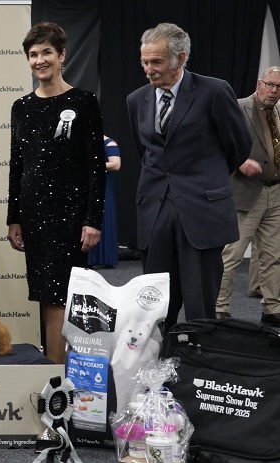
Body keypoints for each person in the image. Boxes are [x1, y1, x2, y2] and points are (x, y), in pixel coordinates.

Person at [126, 22, 251, 334]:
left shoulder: (214, 91)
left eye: (156, 62)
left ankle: (200, 360)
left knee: (200, 305)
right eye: (144, 62)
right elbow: (146, 151)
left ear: (180, 59)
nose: (149, 70)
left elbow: (238, 146)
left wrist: (206, 180)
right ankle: (155, 360)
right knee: (154, 305)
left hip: (202, 211)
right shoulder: (136, 100)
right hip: (155, 211)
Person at [8, 22, 106, 364]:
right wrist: (14, 219)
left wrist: (93, 219)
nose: (40, 60)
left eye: (46, 52)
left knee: (61, 296)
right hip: (34, 217)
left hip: (71, 215)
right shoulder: (21, 106)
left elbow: (96, 167)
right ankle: (54, 372)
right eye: (33, 54)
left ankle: (58, 375)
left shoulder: (84, 102)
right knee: (45, 295)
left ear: (62, 55)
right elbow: (17, 166)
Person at [216, 66, 280, 324]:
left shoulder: (278, 112)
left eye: (279, 87)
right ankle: (220, 308)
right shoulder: (239, 106)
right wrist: (239, 161)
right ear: (259, 83)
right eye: (270, 84)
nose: (274, 90)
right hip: (245, 192)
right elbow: (218, 143)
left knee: (273, 256)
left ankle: (272, 309)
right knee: (232, 255)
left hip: (275, 193)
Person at [87, 136, 122, 268]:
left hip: (103, 187)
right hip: (87, 186)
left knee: (104, 218)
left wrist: (91, 165)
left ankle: (104, 258)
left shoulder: (109, 143)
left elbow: (116, 164)